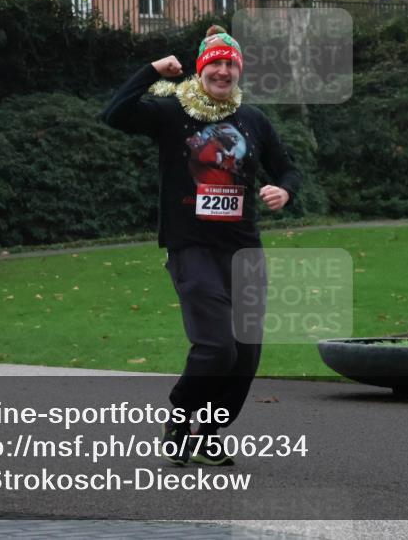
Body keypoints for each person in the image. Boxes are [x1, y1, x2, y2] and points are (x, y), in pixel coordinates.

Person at [100, 25, 301, 466]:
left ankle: (208, 432)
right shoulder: (174, 112)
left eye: (231, 64)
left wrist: (284, 192)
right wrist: (151, 69)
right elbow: (115, 114)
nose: (224, 71)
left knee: (245, 353)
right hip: (191, 246)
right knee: (217, 347)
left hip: (243, 250)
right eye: (216, 64)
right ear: (202, 67)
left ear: (238, 70)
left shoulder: (253, 120)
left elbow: (287, 170)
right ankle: (181, 415)